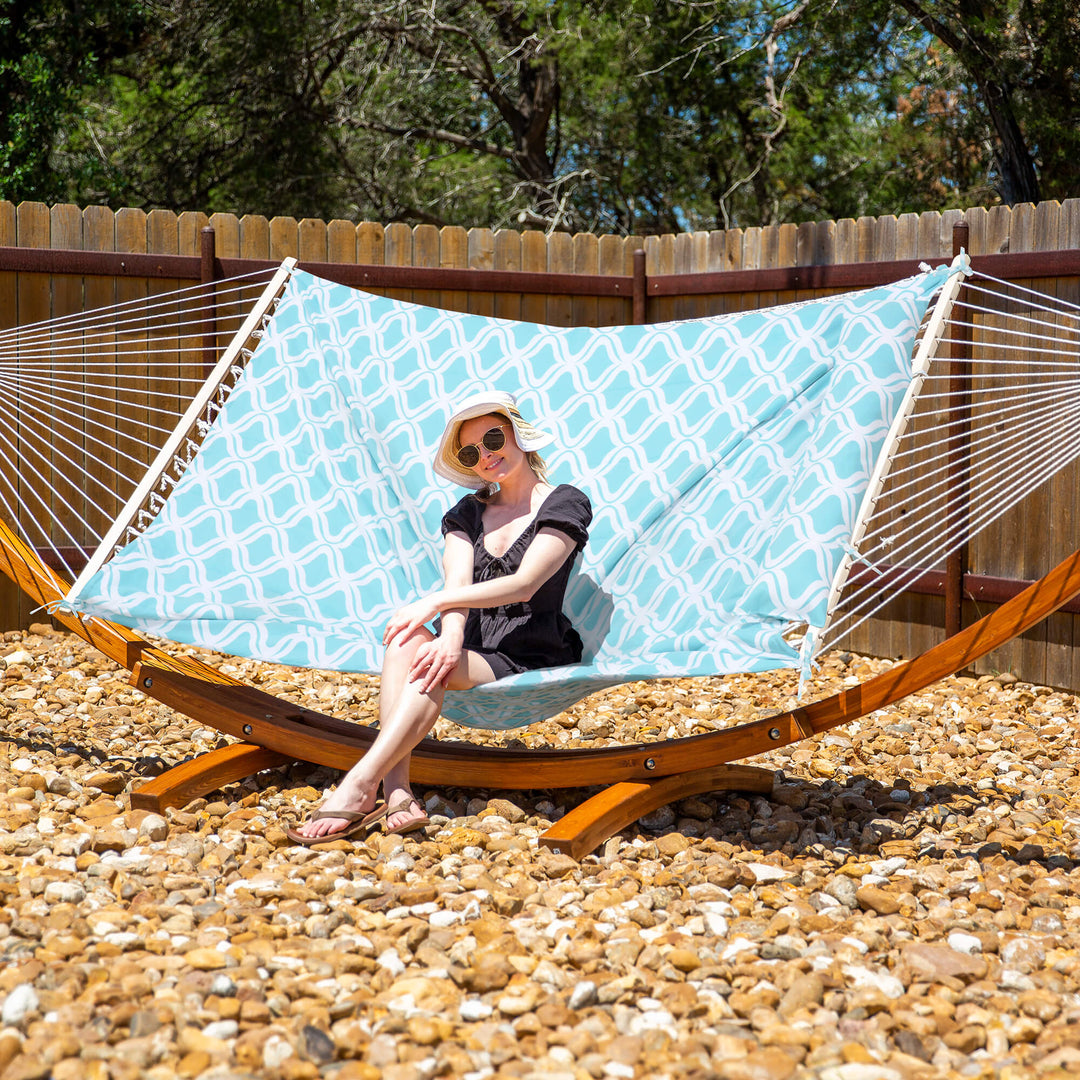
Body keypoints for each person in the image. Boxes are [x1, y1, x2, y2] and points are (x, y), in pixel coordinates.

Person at [288, 390, 592, 841]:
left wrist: (434, 606)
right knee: (407, 640)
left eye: (493, 438)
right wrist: (450, 635)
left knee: (424, 649)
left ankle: (360, 782)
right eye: (472, 451)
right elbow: (458, 582)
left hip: (529, 648)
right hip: (470, 640)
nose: (486, 455)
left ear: (518, 435)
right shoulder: (467, 513)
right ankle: (396, 791)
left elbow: (527, 582)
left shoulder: (564, 502)